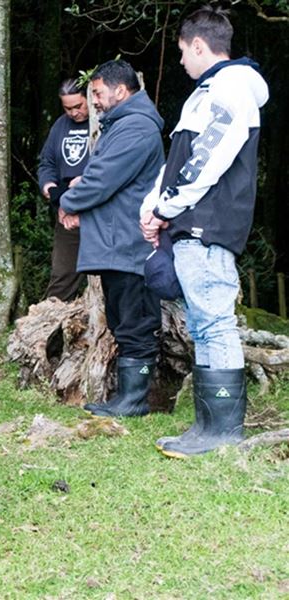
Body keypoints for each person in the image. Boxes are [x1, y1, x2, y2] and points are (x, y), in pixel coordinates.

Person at [141, 6, 269, 458]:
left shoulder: (230, 90)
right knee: (202, 323)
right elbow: (180, 158)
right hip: (190, 222)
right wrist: (152, 207)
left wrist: (165, 207)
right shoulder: (208, 92)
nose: (180, 61)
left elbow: (206, 161)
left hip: (208, 222)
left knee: (215, 322)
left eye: (182, 51)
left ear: (199, 45)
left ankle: (223, 430)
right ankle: (207, 425)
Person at [58, 60, 165, 418]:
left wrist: (69, 201)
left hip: (130, 244)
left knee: (134, 321)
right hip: (117, 242)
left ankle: (135, 400)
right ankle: (128, 397)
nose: (96, 102)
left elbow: (103, 178)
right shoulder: (123, 124)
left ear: (121, 91)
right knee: (123, 319)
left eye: (100, 94)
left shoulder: (136, 127)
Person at [38, 78, 91, 302]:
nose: (73, 113)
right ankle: (50, 327)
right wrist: (49, 187)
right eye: (67, 108)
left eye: (78, 106)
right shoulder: (60, 125)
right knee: (62, 275)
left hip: (98, 209)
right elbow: (47, 162)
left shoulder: (105, 122)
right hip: (66, 209)